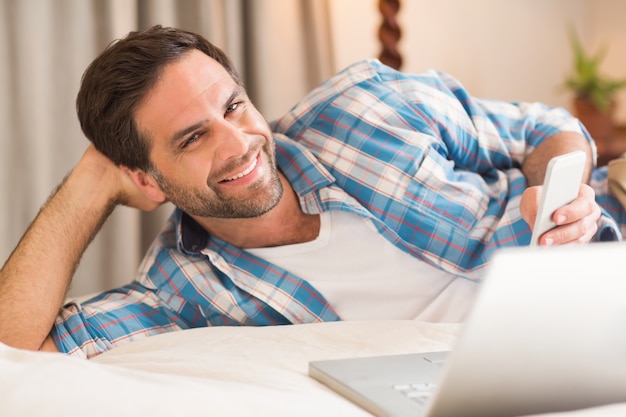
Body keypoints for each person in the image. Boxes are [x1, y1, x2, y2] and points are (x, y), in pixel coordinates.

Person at [0, 25, 623, 359]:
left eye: (234, 106)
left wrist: (560, 192)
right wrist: (89, 183)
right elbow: (11, 345)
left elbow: (542, 127)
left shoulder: (365, 106)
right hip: (556, 348)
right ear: (143, 177)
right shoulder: (181, 288)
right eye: (192, 138)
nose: (240, 142)